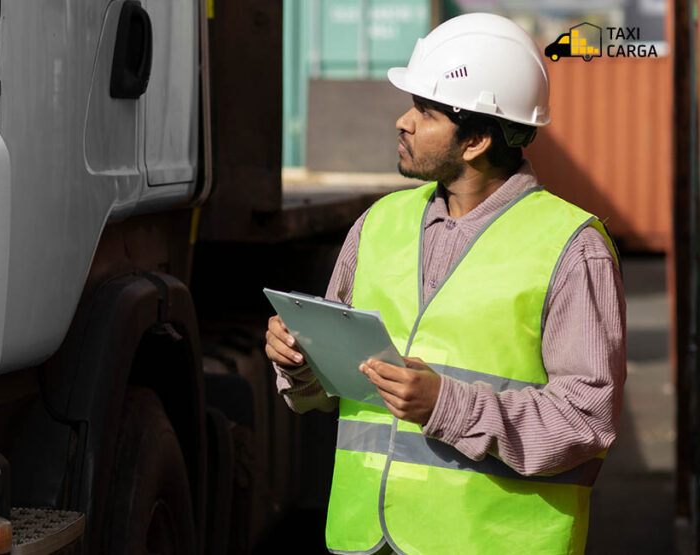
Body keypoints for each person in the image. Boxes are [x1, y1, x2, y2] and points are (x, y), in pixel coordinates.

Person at [265, 13, 626, 555]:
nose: (402, 122)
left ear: (477, 138)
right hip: (368, 540)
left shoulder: (571, 246)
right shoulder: (379, 223)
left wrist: (448, 405)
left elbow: (585, 420)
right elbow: (335, 390)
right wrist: (300, 362)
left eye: (425, 111)